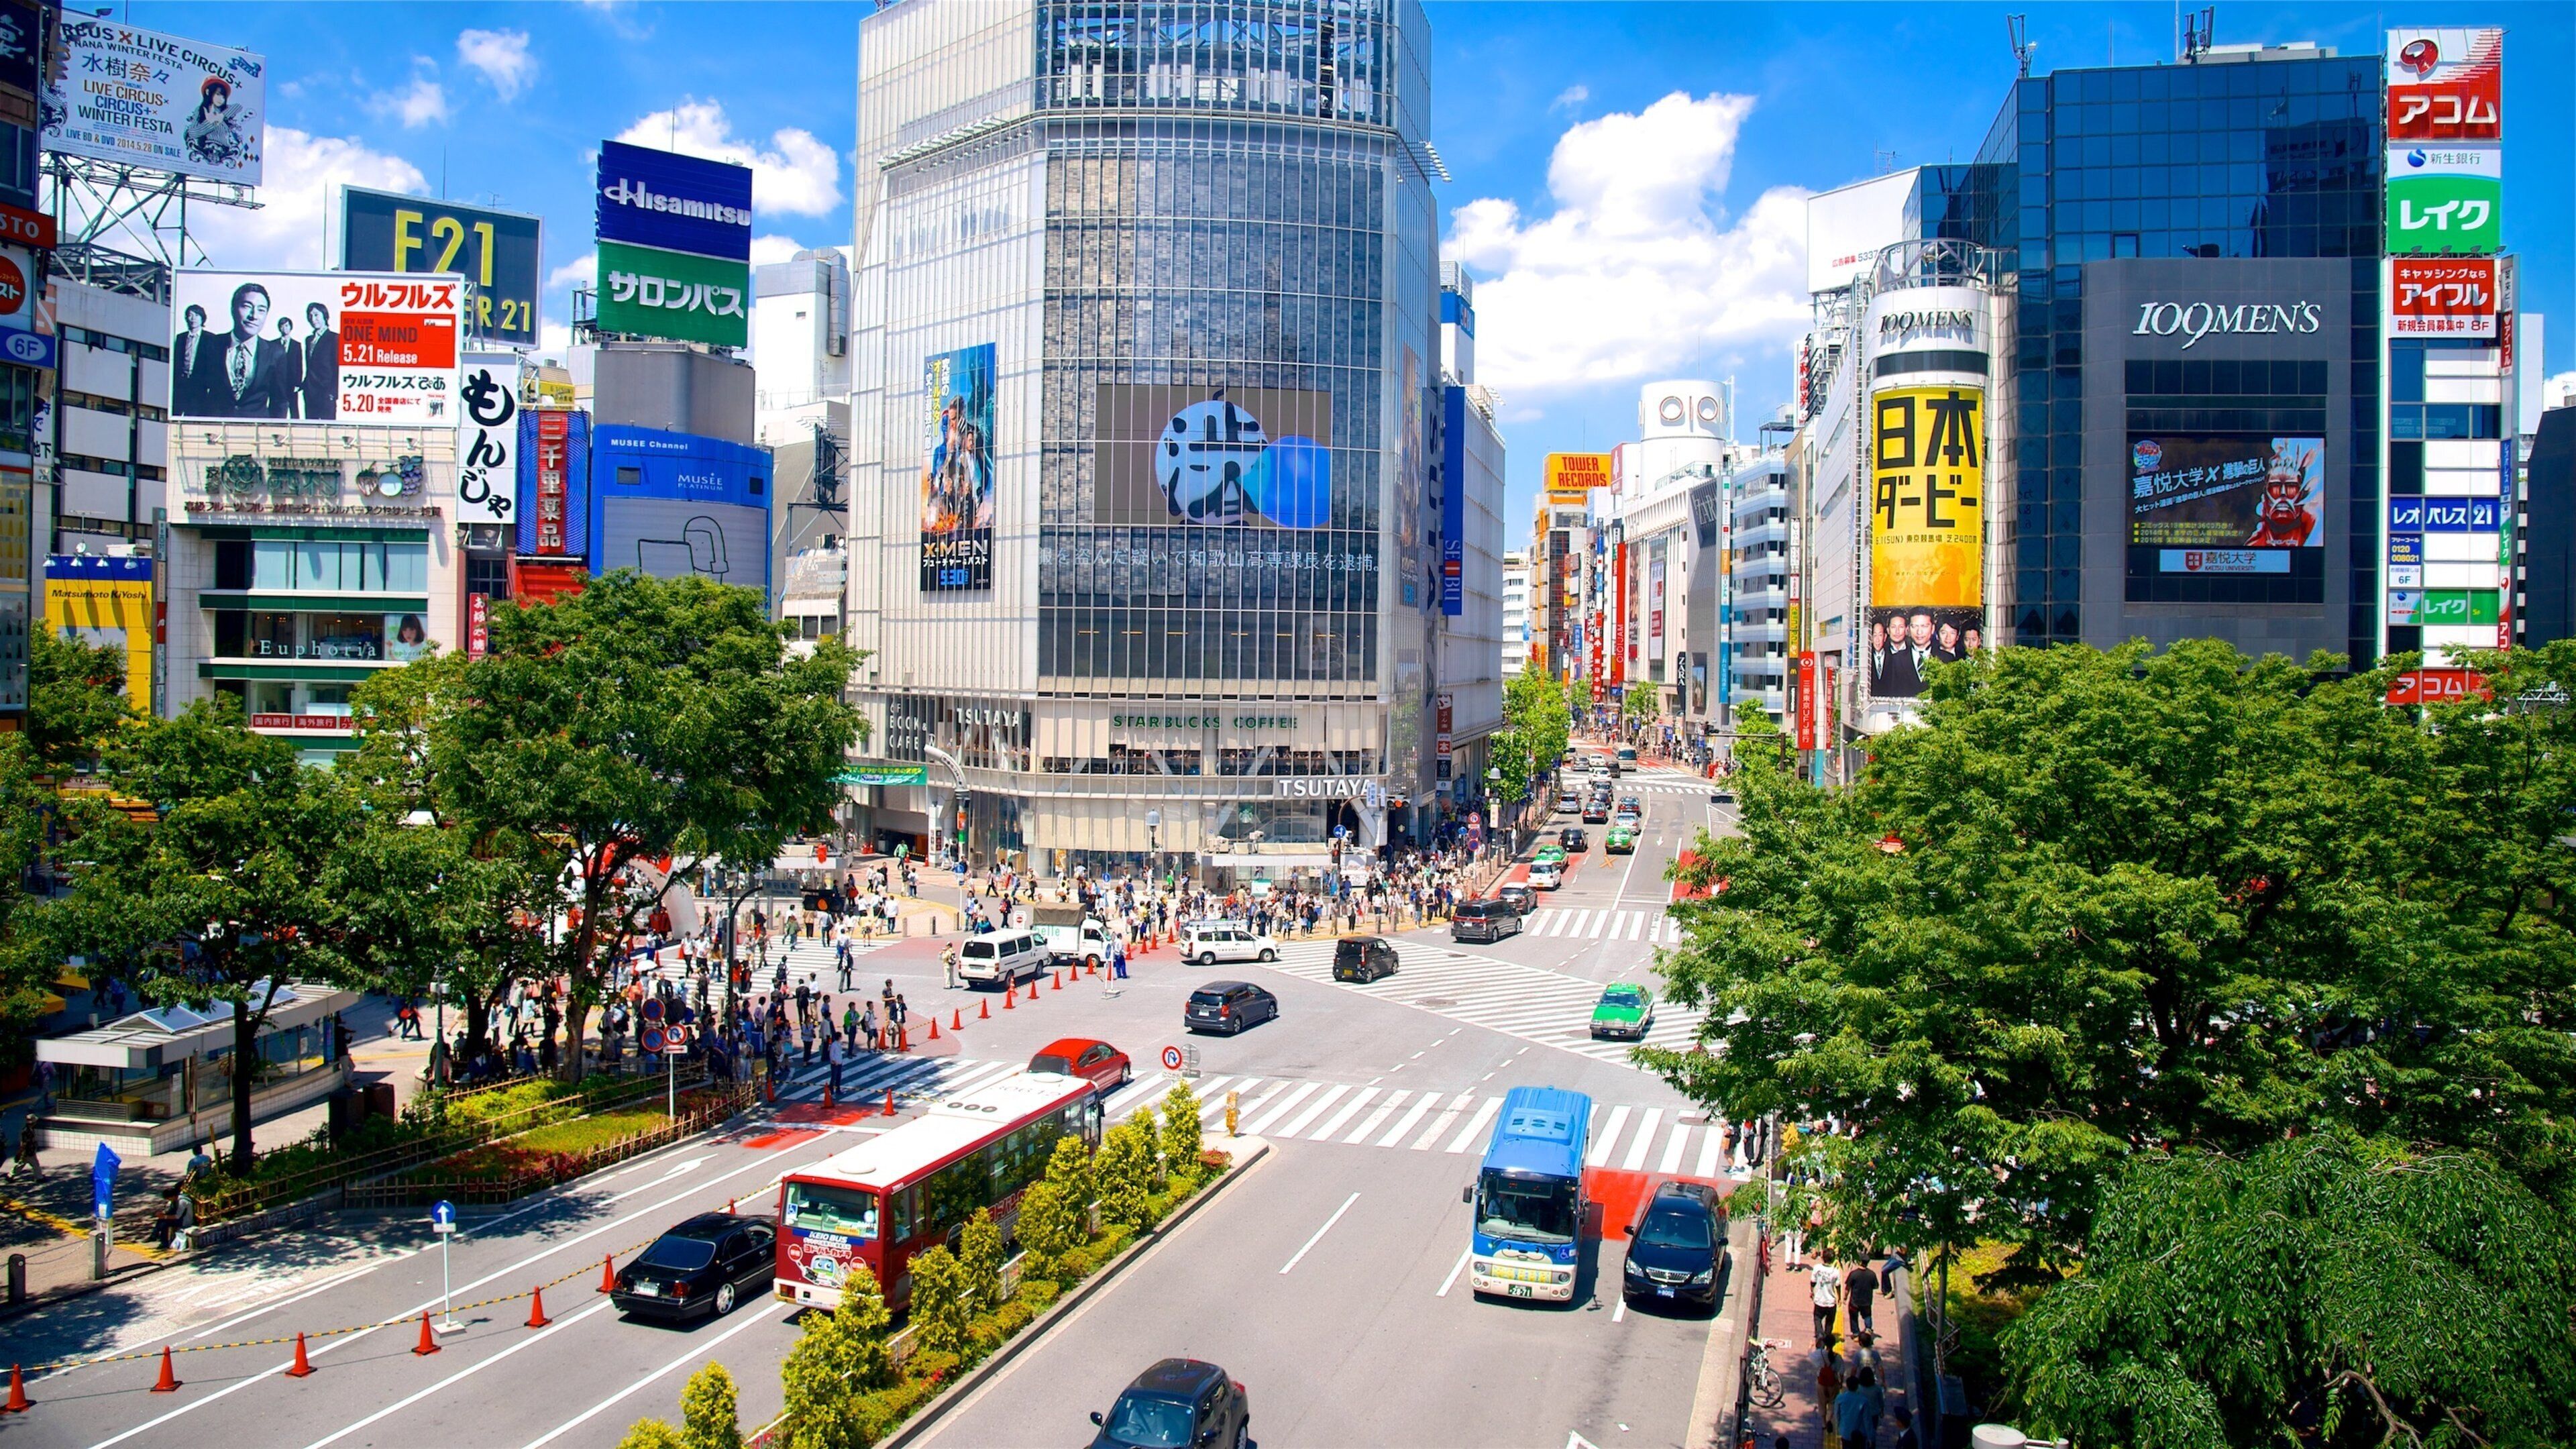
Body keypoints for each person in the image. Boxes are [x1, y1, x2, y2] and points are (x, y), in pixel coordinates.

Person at [206, 281, 295, 419]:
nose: (254, 316)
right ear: (233, 309)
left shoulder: (276, 353)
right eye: (247, 307)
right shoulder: (211, 345)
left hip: (257, 433)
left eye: (261, 310)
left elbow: (280, 401)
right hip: (215, 432)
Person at [298, 301, 339, 420]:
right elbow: (309, 365)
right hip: (310, 391)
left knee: (328, 430)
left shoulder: (335, 338)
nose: (313, 319)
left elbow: (337, 367)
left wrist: (333, 392)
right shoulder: (308, 340)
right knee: (311, 428)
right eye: (310, 316)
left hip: (326, 392)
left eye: (316, 315)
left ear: (325, 316)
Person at [1834, 1368, 1880, 1448]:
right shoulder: (1863, 1401)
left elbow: (1837, 1414)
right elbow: (1867, 1420)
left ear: (1847, 1386)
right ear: (1857, 1386)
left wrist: (1840, 1426)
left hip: (1846, 1431)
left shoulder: (1840, 1398)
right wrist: (1870, 1437)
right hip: (1860, 1433)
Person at [1811, 1260, 1841, 1352]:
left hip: (1820, 1299)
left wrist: (1812, 1291)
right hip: (1831, 1301)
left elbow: (1813, 1282)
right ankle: (1827, 1337)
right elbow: (1838, 1285)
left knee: (1817, 1317)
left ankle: (1820, 1334)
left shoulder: (1817, 1268)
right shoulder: (1835, 1271)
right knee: (1830, 1322)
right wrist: (1839, 1297)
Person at [1845, 1259, 1880, 1337]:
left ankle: (1856, 1333)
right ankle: (1868, 1329)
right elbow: (1875, 1286)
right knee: (1867, 1316)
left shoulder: (1853, 1274)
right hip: (1867, 1301)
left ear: (1860, 1262)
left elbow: (1848, 1287)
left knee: (1854, 1317)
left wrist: (1845, 1297)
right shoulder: (1872, 1274)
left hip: (1854, 1302)